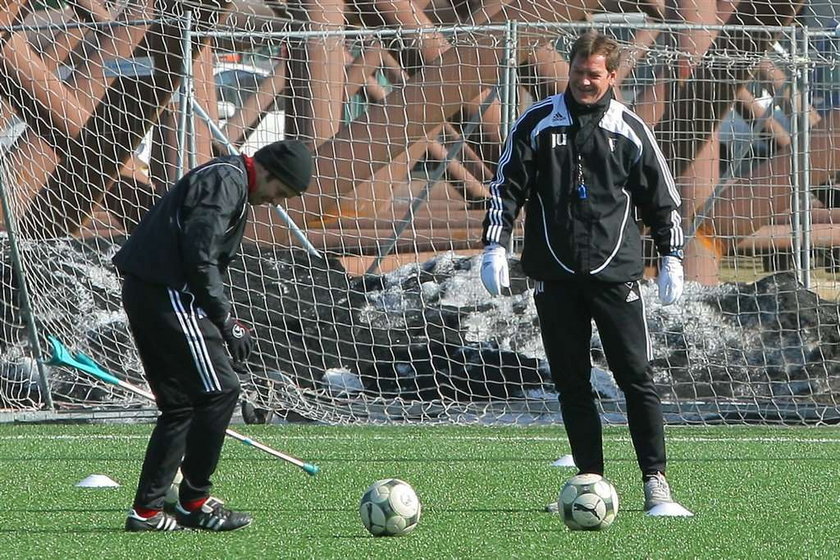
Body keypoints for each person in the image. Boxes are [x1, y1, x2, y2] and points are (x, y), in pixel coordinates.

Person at [480, 30, 689, 514]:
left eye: (595, 75)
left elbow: (663, 200)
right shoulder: (536, 123)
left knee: (635, 376)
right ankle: (589, 479)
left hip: (617, 277)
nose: (585, 82)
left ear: (612, 76)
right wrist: (494, 245)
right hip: (554, 277)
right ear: (569, 70)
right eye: (578, 73)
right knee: (571, 382)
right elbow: (505, 188)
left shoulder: (630, 129)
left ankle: (655, 482)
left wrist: (671, 255)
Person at [113, 139, 313, 531]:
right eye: (281, 192)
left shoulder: (228, 179)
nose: (277, 202)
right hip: (167, 293)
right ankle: (193, 500)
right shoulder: (226, 181)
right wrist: (225, 319)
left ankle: (148, 511)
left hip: (152, 290)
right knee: (221, 391)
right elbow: (199, 254)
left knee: (181, 405)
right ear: (268, 171)